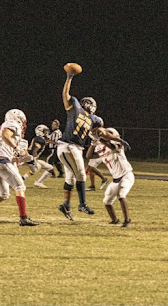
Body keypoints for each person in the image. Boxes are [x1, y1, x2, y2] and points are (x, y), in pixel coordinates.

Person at [56, 70, 128, 221]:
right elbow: (65, 95)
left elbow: (102, 133)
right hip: (68, 146)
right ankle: (82, 204)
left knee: (70, 178)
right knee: (81, 174)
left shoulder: (94, 120)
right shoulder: (75, 108)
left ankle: (65, 205)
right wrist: (69, 78)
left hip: (74, 148)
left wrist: (118, 139)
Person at [86, 127, 134, 227]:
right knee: (107, 201)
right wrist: (93, 143)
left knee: (121, 195)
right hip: (116, 179)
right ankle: (115, 220)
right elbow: (89, 156)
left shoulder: (117, 144)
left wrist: (100, 139)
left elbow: (113, 148)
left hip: (126, 175)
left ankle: (127, 221)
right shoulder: (101, 147)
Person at [22, 124, 55, 189]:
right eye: (45, 131)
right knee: (38, 169)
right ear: (40, 132)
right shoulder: (40, 140)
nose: (46, 133)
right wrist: (34, 160)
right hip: (32, 159)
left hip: (29, 158)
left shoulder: (39, 139)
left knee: (49, 168)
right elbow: (35, 151)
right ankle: (38, 182)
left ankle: (22, 179)